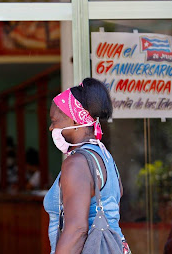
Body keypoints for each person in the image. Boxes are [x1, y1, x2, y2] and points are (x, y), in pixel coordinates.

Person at [43, 78, 131, 254]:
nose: (52, 128)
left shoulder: (77, 163)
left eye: (55, 120)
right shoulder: (105, 157)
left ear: (75, 121)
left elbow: (77, 230)